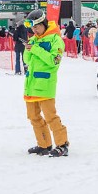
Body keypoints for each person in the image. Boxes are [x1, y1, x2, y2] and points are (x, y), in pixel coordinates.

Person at [22, 9, 69, 157]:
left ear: (43, 23)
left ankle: (62, 144)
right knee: (33, 117)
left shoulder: (56, 39)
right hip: (31, 85)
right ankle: (44, 144)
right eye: (32, 28)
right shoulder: (34, 39)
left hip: (45, 86)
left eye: (36, 26)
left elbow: (54, 61)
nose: (34, 30)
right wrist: (28, 49)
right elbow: (27, 61)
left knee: (50, 117)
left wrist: (35, 49)